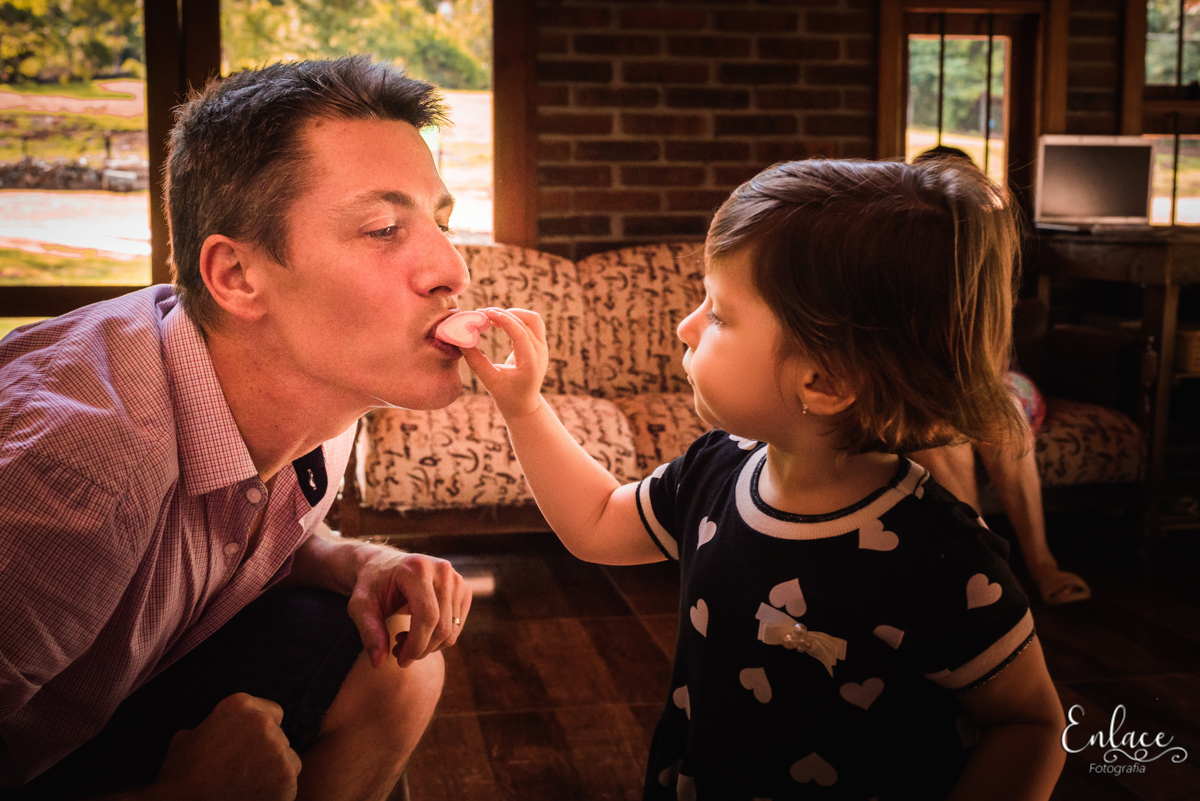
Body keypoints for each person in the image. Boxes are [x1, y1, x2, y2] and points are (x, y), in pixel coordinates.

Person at [461, 159, 1066, 799]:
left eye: (718, 315)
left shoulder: (941, 558)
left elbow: (1028, 723)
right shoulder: (716, 469)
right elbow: (598, 523)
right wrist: (524, 408)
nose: (685, 326)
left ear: (825, 381)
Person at [0, 56, 474, 800]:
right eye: (383, 228)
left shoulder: (316, 395)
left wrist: (353, 561)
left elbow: (228, 521)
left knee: (398, 662)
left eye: (441, 222)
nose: (452, 267)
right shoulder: (76, 477)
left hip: (120, 696)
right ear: (235, 276)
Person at [909, 145, 1091, 606]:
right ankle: (983, 568)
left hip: (999, 382)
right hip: (933, 390)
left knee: (996, 408)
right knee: (934, 421)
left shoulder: (987, 260)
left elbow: (990, 363)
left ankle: (1043, 565)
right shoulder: (897, 267)